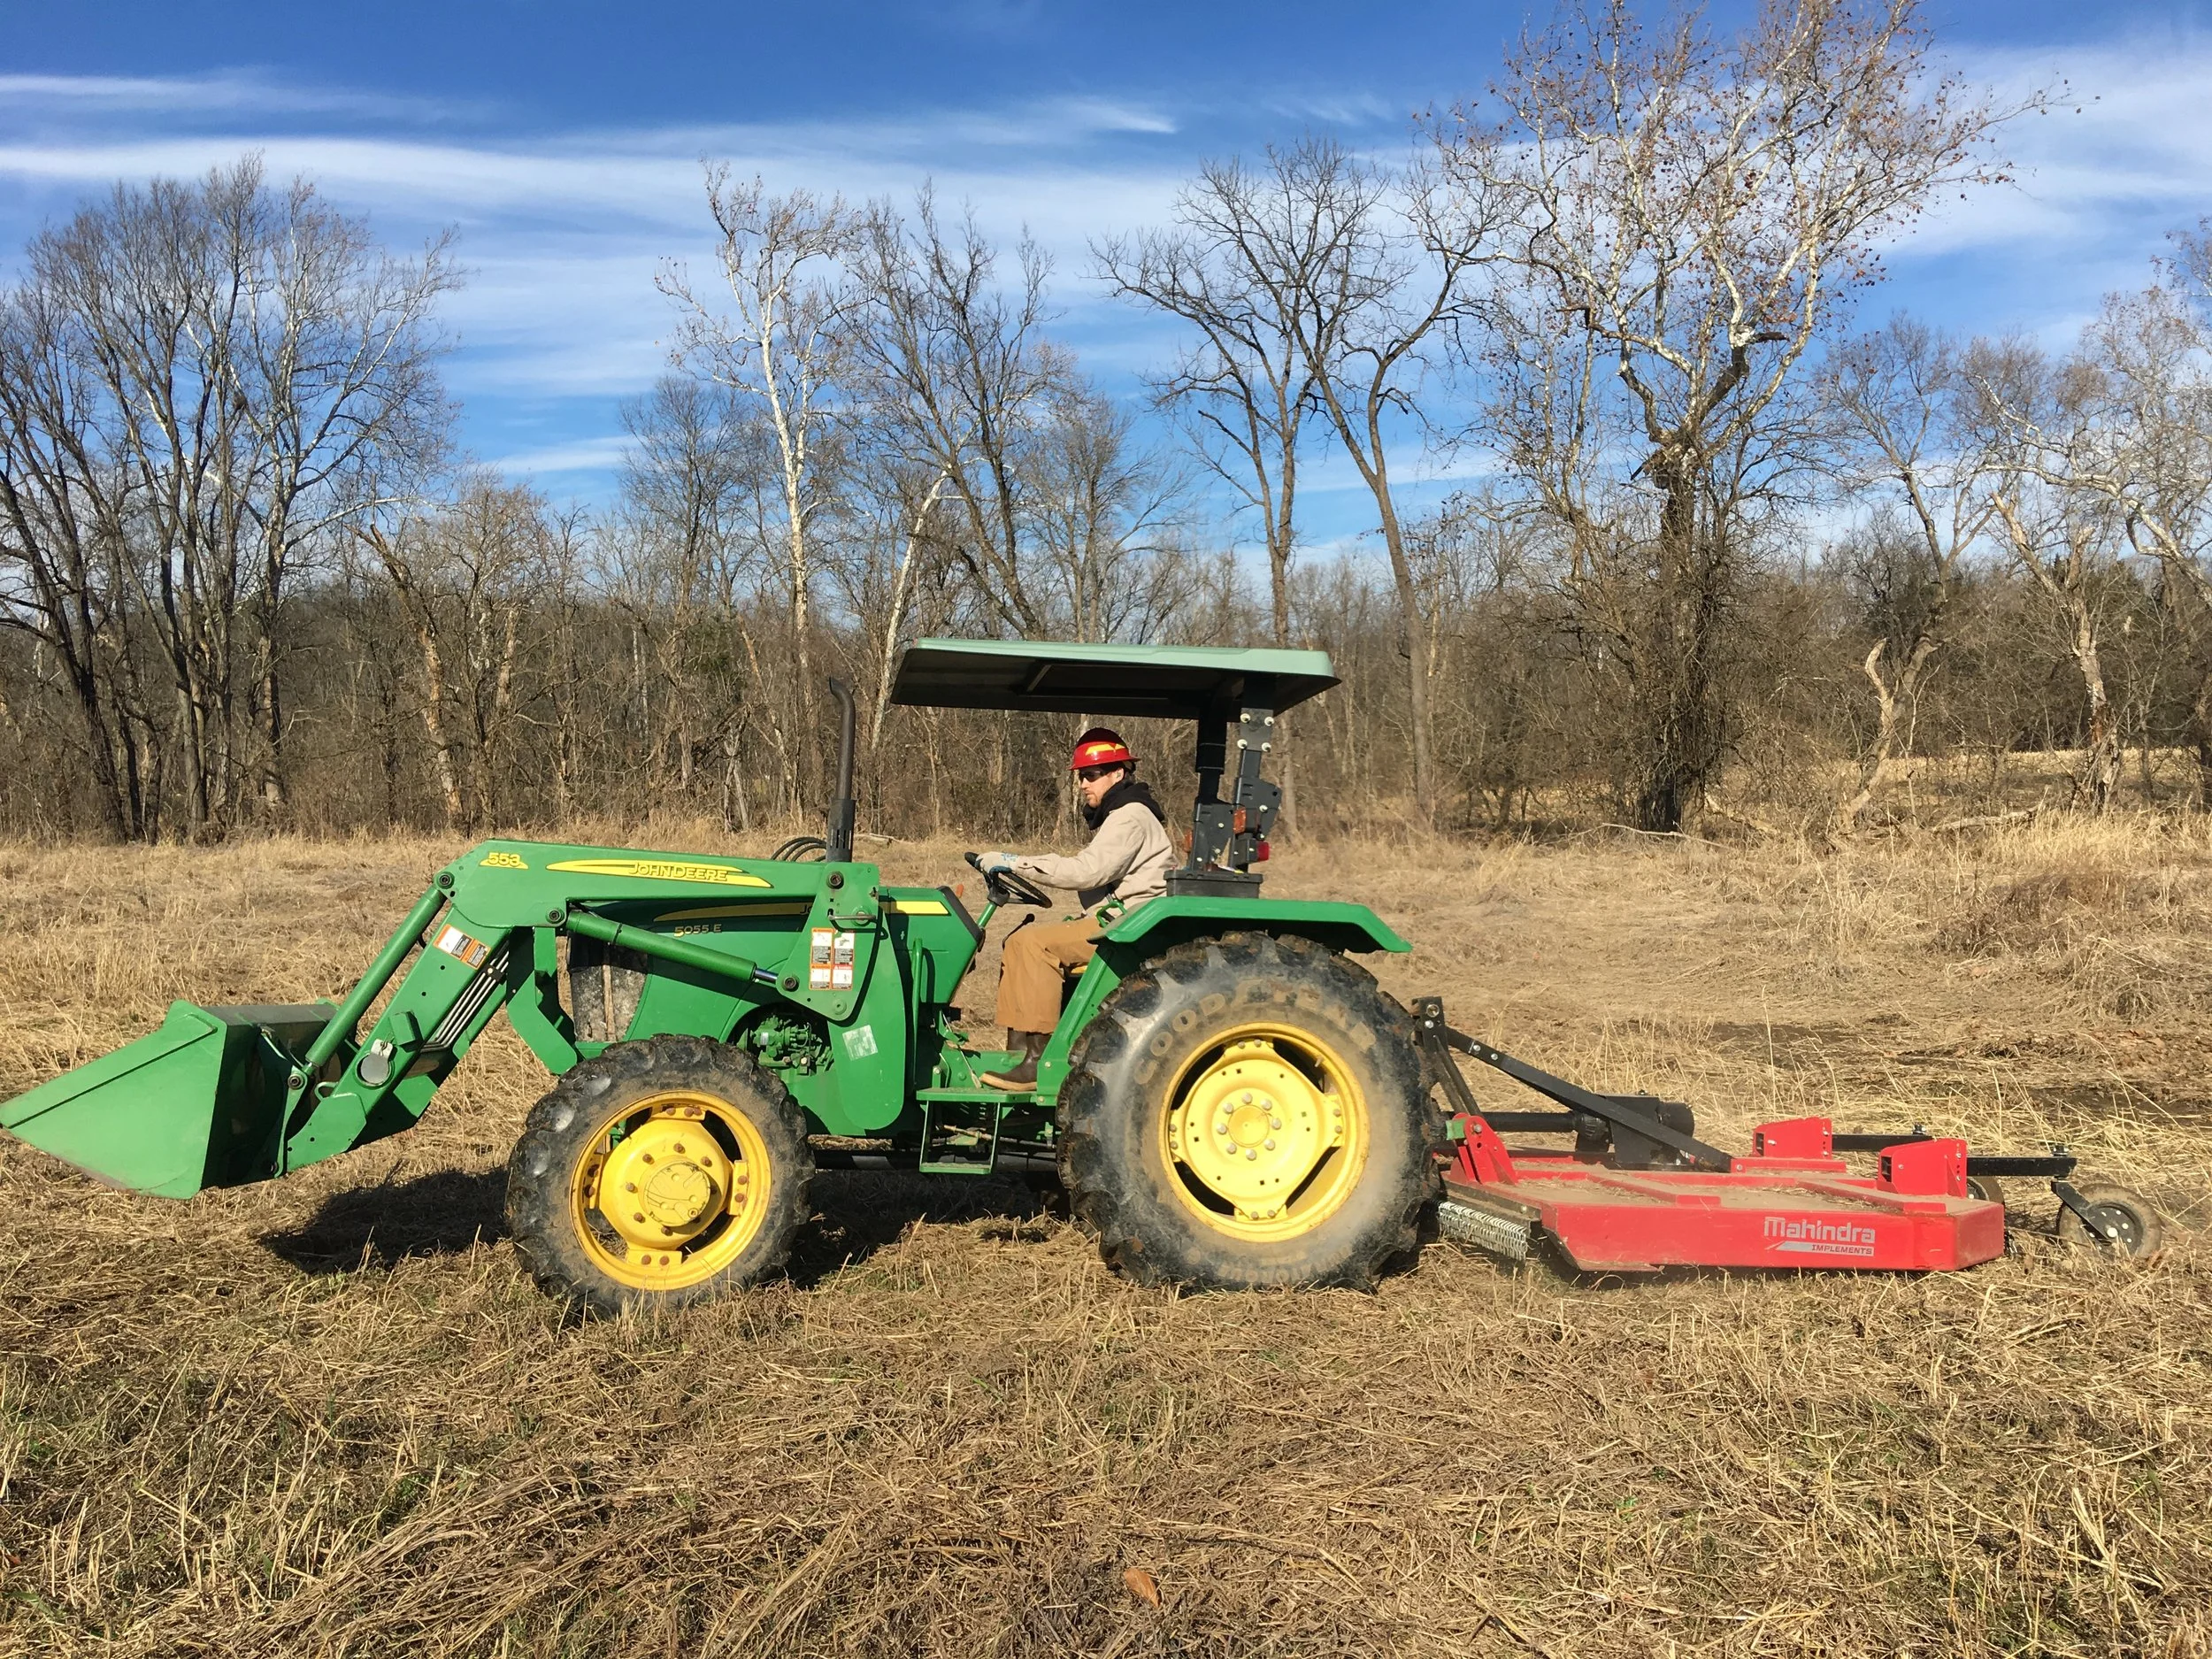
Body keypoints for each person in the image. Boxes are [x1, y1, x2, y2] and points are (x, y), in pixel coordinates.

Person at [974, 727, 1173, 1090]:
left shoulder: (1129, 815)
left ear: (1118, 773)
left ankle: (1038, 1063)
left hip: (1128, 924)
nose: (1083, 783)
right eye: (1081, 775)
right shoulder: (1123, 813)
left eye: (1092, 775)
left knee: (1032, 944)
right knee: (1017, 942)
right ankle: (1018, 1053)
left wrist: (1012, 861)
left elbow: (1087, 871)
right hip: (1119, 918)